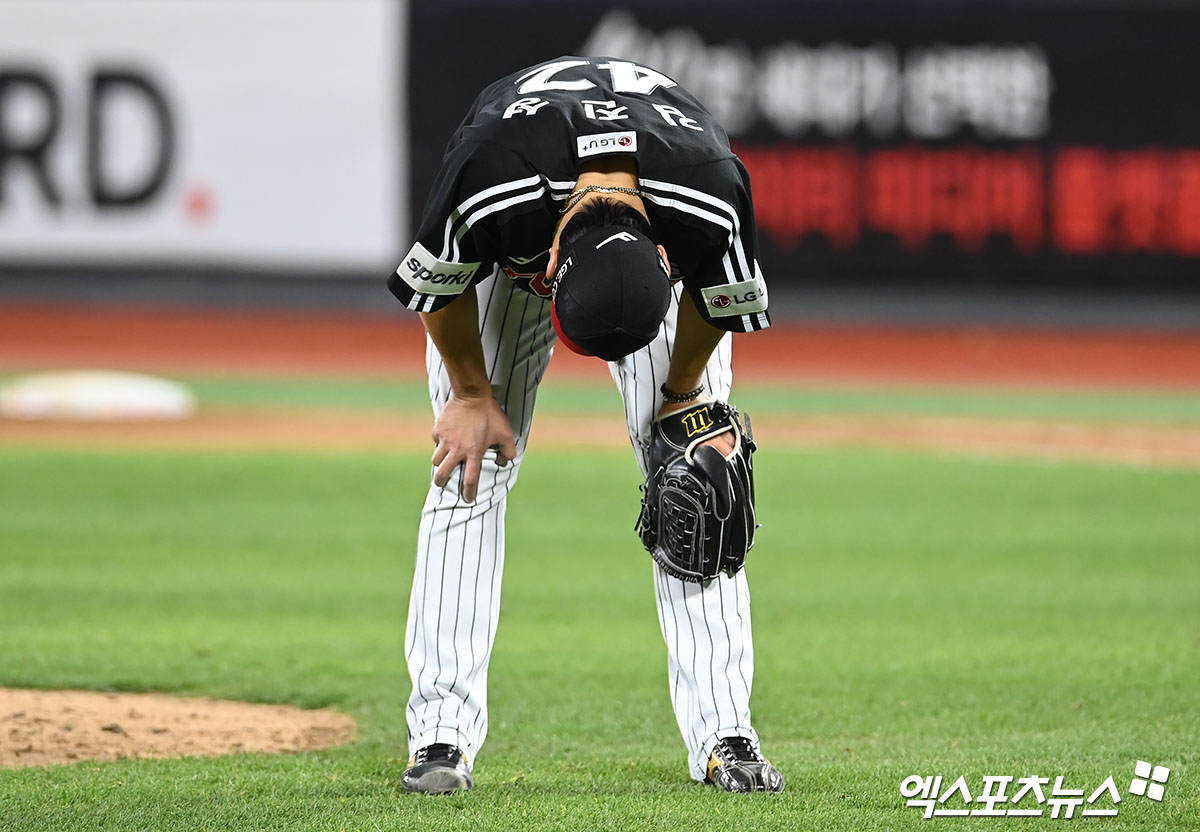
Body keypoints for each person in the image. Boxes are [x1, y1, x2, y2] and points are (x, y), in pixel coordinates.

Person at [387, 55, 781, 795]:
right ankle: (440, 736)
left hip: (646, 219)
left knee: (699, 473)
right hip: (512, 231)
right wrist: (471, 394)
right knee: (467, 470)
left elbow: (720, 300)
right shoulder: (490, 174)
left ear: (667, 259)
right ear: (550, 259)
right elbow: (438, 283)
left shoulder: (709, 189)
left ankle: (726, 731)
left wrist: (682, 397)